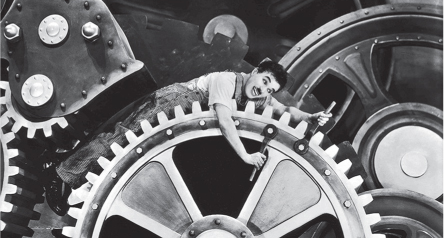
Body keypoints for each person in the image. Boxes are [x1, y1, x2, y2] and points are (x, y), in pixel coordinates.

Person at [43, 60, 331, 216]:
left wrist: (309, 117)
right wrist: (245, 155)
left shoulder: (256, 97)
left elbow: (285, 110)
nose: (264, 90)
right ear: (255, 72)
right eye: (265, 81)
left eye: (270, 89)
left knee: (123, 154)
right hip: (173, 102)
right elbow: (224, 119)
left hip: (181, 114)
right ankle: (60, 174)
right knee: (118, 142)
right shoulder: (228, 81)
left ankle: (66, 169)